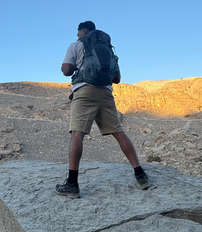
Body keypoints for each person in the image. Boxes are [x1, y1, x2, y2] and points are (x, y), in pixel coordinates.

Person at [55, 21, 149, 198]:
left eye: (78, 34)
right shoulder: (108, 49)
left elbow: (66, 70)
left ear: (83, 31)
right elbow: (117, 78)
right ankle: (140, 175)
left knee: (77, 133)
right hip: (106, 93)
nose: (77, 37)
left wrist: (74, 66)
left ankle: (72, 184)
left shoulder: (76, 45)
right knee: (119, 132)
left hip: (84, 91)